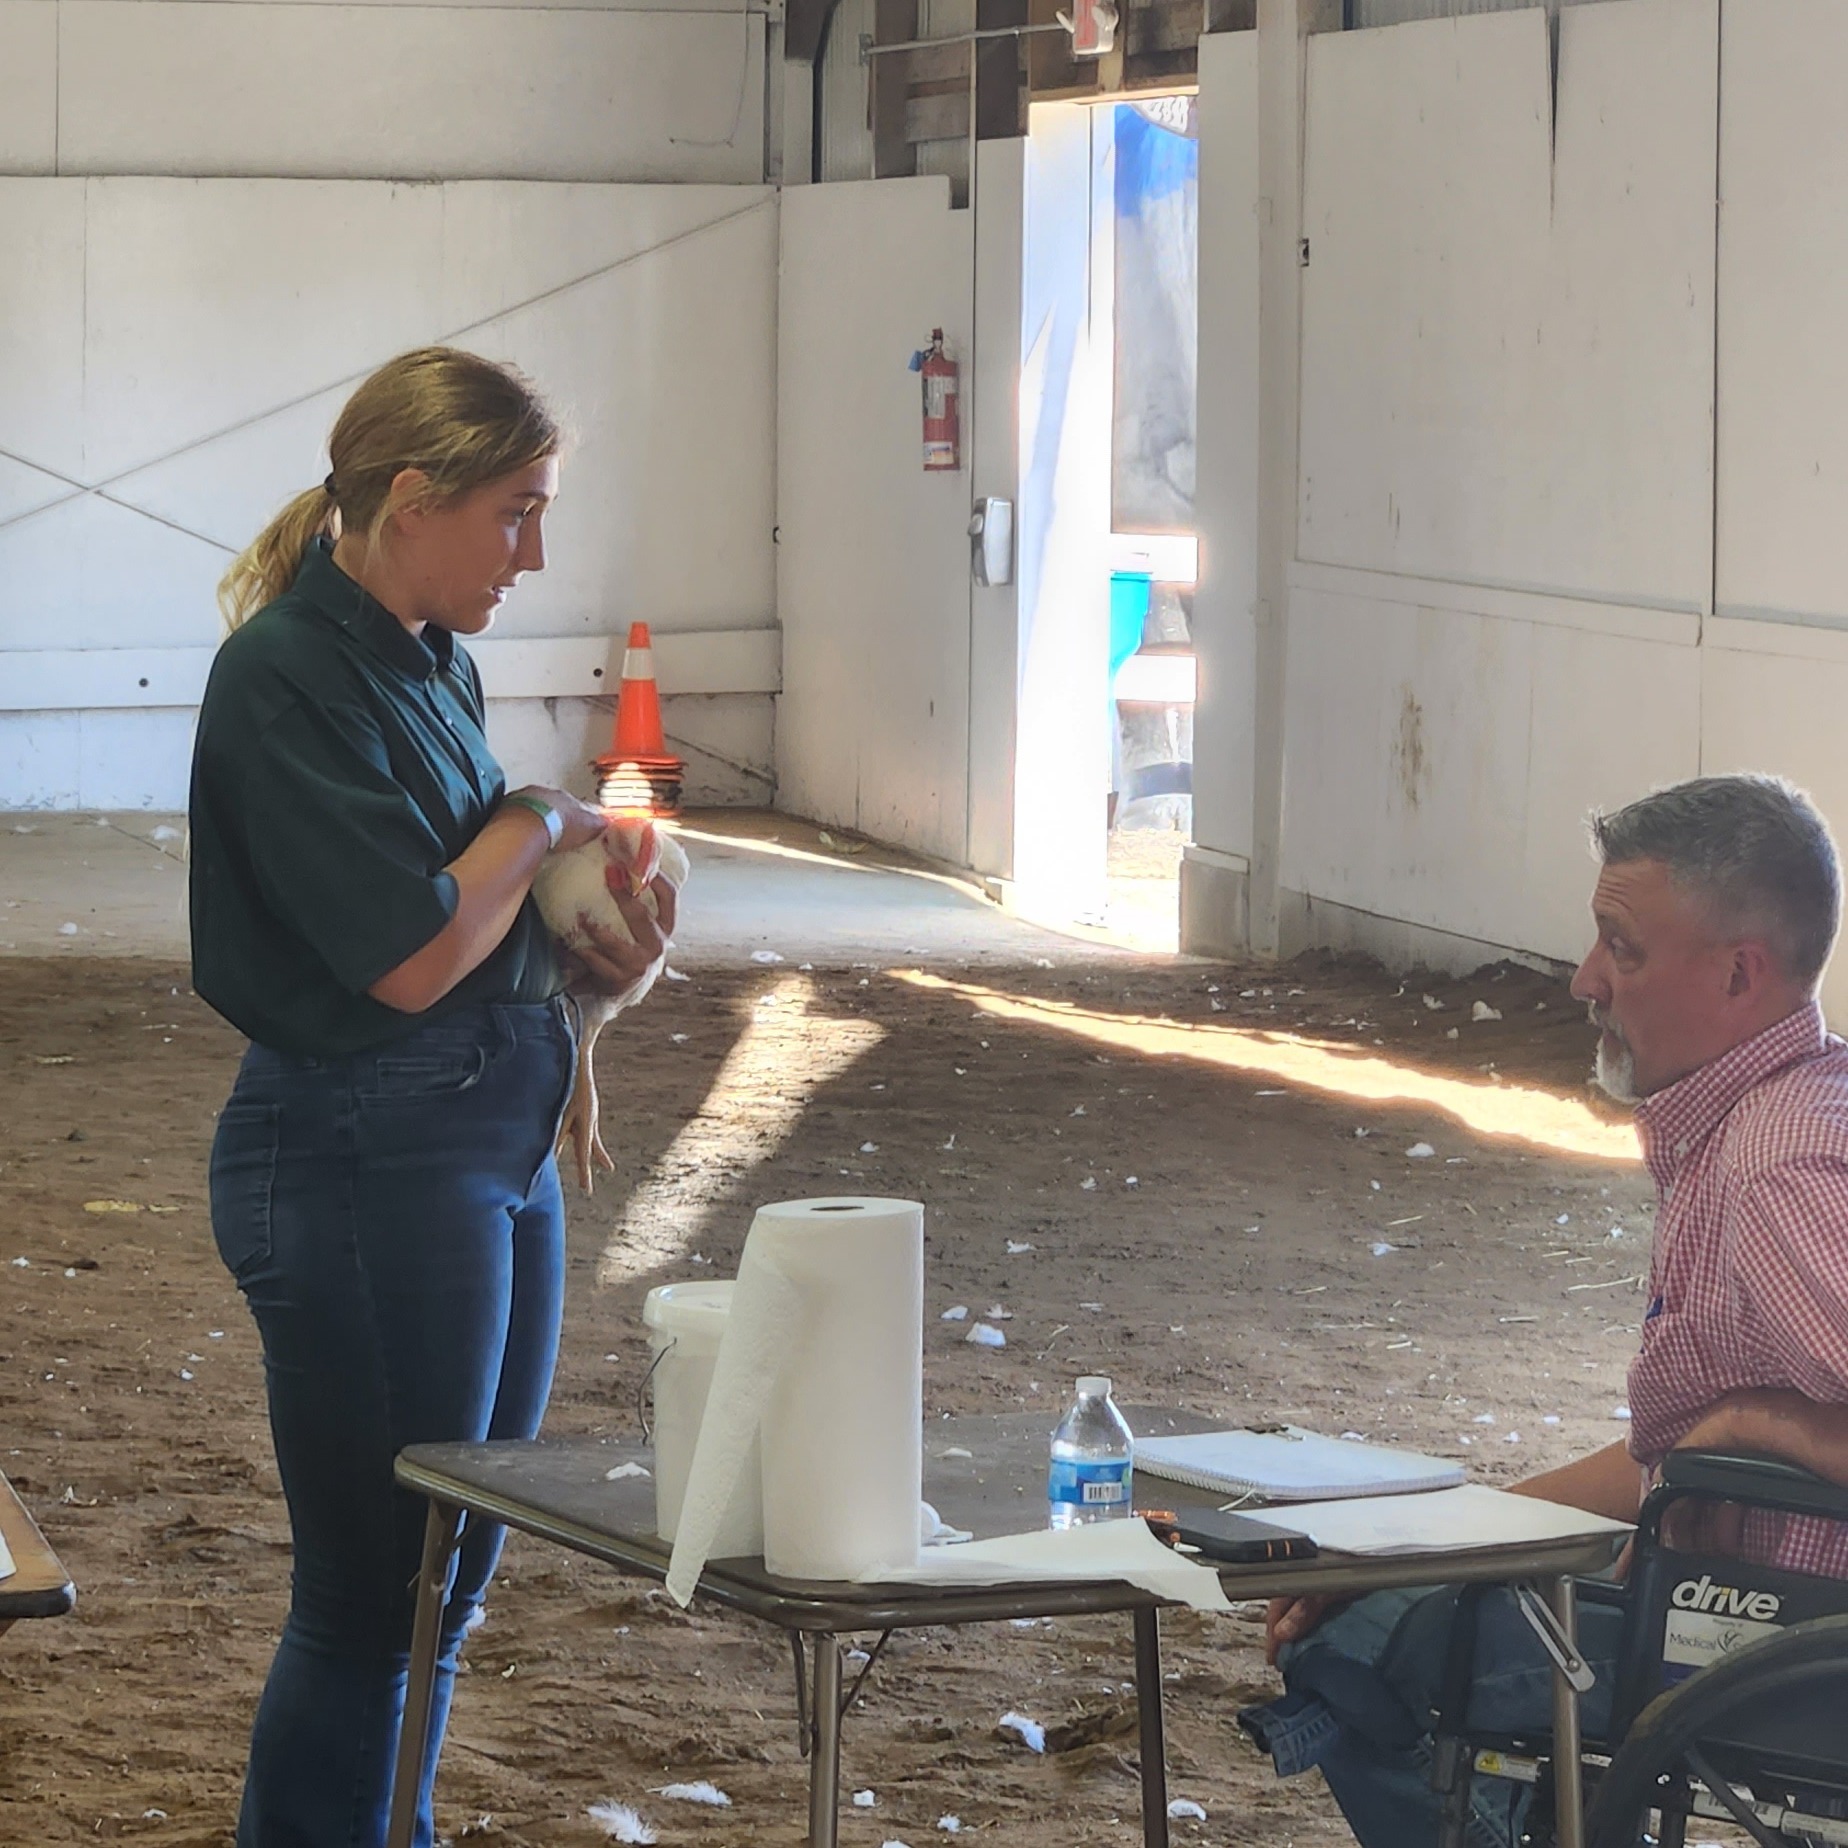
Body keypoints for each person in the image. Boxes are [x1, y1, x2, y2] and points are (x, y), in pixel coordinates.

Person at [189, 346, 677, 1848]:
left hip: (481, 1137)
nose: (532, 552)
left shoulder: (426, 659)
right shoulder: (282, 674)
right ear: (414, 497)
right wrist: (541, 814)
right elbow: (408, 953)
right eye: (515, 512)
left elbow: (483, 925)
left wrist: (606, 957)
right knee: (374, 1593)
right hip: (363, 1148)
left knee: (449, 1574)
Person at [1239, 772, 1848, 1848]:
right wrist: (1428, 1538)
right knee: (1381, 1592)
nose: (1584, 981)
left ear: (1739, 972)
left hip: (1775, 1648)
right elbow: (1674, 1456)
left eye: (1624, 948)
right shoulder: (1775, 1122)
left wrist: (1755, 1425)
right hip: (1728, 1597)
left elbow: (1720, 1445)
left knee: (1355, 1644)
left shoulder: (1779, 1169)